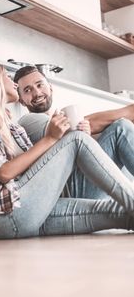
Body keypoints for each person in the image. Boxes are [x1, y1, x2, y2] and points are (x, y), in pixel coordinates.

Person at [0, 63, 134, 240]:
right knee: (76, 139)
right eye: (7, 77)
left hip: (35, 208)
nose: (14, 83)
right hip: (2, 215)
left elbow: (35, 171)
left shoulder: (14, 129)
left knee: (120, 212)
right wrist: (51, 138)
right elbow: (3, 172)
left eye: (40, 85)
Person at [14, 65, 134, 199]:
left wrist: (87, 136)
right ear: (22, 101)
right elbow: (67, 130)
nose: (36, 93)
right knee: (121, 128)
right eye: (27, 90)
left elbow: (75, 144)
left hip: (82, 180)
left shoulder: (56, 116)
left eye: (40, 85)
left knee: (123, 128)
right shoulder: (28, 121)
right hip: (71, 190)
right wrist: (128, 111)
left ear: (50, 87)